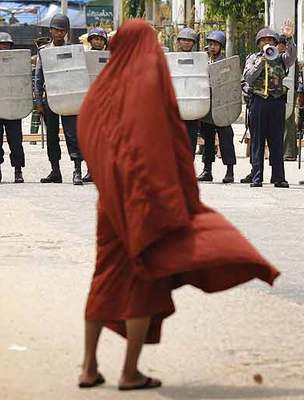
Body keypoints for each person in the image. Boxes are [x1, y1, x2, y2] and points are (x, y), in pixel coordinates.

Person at [77, 20, 279, 391]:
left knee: (104, 277)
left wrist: (107, 179)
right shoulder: (150, 87)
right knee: (142, 282)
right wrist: (182, 196)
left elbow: (87, 135)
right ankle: (129, 372)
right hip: (146, 199)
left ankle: (88, 368)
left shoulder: (100, 90)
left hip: (110, 202)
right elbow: (169, 143)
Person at [243, 22, 297, 188]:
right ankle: (257, 176)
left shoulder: (281, 58)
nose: (267, 43)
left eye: (270, 40)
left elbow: (292, 57)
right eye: (263, 40)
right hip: (258, 102)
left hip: (276, 102)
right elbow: (248, 77)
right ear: (259, 43)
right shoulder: (253, 58)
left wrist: (289, 38)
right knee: (257, 140)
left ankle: (278, 177)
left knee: (276, 141)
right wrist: (261, 62)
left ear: (275, 43)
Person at [34, 14, 84, 186]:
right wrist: (38, 101)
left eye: (62, 30)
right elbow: (38, 77)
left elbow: (78, 75)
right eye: (56, 30)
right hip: (50, 99)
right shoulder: (44, 51)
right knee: (52, 137)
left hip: (69, 98)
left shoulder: (74, 51)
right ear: (51, 31)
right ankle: (55, 171)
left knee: (72, 135)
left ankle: (77, 170)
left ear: (67, 32)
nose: (59, 33)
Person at [0, 32, 25, 184]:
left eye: (7, 45)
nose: (5, 47)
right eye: (2, 45)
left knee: (16, 141)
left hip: (13, 106)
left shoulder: (17, 63)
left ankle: (18, 171)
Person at [197, 31, 237, 183]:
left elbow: (232, 83)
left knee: (226, 140)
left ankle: (230, 171)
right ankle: (207, 170)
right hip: (208, 108)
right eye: (211, 44)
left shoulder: (226, 63)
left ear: (221, 47)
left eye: (216, 45)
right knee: (207, 141)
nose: (212, 47)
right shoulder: (203, 61)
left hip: (223, 107)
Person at [81, 27, 109, 184]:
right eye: (95, 39)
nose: (98, 41)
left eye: (100, 39)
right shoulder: (84, 57)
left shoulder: (112, 57)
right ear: (90, 40)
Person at [175, 27, 199, 157]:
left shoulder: (200, 60)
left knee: (191, 139)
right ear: (178, 42)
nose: (186, 43)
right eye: (183, 40)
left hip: (193, 104)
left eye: (190, 40)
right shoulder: (171, 59)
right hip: (176, 105)